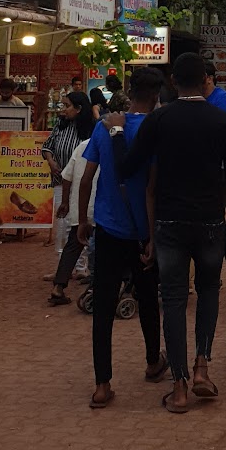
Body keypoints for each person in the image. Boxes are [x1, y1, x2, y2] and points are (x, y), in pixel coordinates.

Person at [114, 53, 226, 414]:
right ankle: (203, 367)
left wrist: (114, 132)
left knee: (172, 299)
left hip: (169, 222)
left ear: (173, 81)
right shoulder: (223, 121)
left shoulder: (160, 119)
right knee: (208, 291)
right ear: (205, 79)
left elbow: (129, 166)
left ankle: (181, 386)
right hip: (210, 221)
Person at [73, 66, 166, 407]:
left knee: (104, 305)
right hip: (142, 232)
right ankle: (153, 361)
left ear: (129, 89)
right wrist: (153, 236)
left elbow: (86, 179)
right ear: (156, 96)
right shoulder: (157, 131)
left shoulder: (104, 127)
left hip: (108, 227)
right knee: (147, 300)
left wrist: (82, 219)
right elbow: (153, 188)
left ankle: (102, 383)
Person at [47, 128, 98, 302]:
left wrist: (66, 202)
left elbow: (66, 176)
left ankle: (58, 287)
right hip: (101, 208)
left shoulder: (82, 146)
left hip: (80, 206)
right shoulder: (111, 146)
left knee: (73, 246)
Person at [41, 90, 94, 187]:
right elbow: (47, 146)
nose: (64, 109)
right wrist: (51, 162)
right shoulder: (61, 125)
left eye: (67, 106)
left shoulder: (91, 129)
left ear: (78, 109)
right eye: (63, 105)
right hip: (60, 181)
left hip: (82, 184)